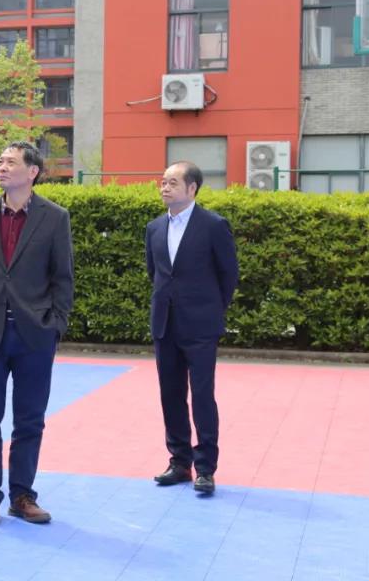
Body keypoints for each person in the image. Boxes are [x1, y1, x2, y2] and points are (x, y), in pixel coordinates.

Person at [0, 142, 74, 527]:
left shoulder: (55, 217)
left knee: (30, 420)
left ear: (32, 171)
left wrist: (55, 324)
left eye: (10, 162)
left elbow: (63, 278)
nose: (1, 167)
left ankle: (22, 496)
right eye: (0, 161)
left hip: (34, 335)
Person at [146, 161, 239, 496]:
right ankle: (179, 462)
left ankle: (205, 468)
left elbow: (228, 274)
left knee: (202, 396)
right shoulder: (154, 228)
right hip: (165, 324)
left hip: (201, 326)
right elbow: (154, 273)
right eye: (163, 182)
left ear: (192, 188)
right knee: (170, 395)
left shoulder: (213, 225)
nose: (165, 187)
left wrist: (210, 309)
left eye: (172, 182)